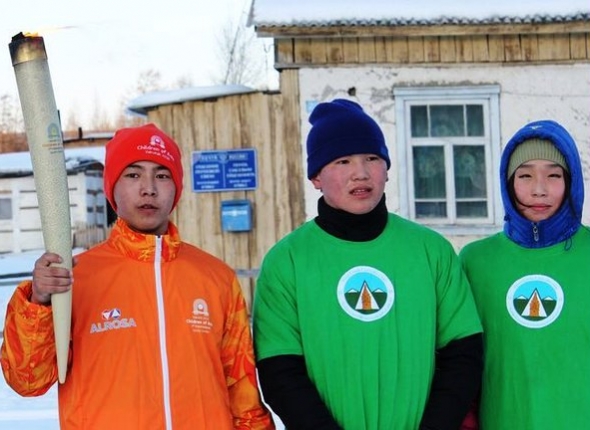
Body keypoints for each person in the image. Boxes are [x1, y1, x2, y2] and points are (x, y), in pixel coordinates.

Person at [1, 123, 274, 430]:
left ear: (177, 188)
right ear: (112, 189)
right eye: (133, 175)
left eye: (162, 175)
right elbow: (27, 380)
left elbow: (243, 396)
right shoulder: (75, 278)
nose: (149, 188)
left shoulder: (216, 278)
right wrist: (39, 302)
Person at [252, 99, 483, 430]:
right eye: (342, 161)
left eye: (371, 158)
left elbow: (463, 353)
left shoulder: (431, 251)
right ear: (316, 177)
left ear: (386, 169)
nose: (360, 173)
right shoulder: (287, 261)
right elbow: (280, 370)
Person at [459, 119, 590, 429]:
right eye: (525, 175)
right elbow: (459, 361)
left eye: (554, 175)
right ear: (508, 183)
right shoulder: (475, 261)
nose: (539, 189)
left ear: (571, 181)